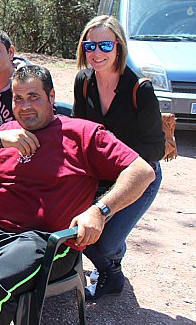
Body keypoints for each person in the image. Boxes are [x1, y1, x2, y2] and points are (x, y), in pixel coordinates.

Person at [0, 65, 156, 325]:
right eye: (18, 98)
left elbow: (143, 171)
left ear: (51, 97)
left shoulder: (83, 133)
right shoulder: (7, 132)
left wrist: (100, 210)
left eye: (34, 96)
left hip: (47, 242)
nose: (25, 106)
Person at [73, 15, 165, 301]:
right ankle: (110, 263)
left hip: (138, 176)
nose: (96, 53)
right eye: (90, 46)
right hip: (97, 174)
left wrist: (120, 160)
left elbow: (155, 148)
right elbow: (80, 130)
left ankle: (111, 273)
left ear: (118, 46)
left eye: (104, 45)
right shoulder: (83, 81)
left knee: (103, 244)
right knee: (74, 227)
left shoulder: (141, 89)